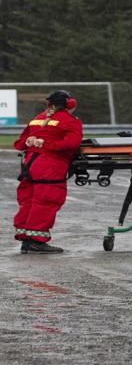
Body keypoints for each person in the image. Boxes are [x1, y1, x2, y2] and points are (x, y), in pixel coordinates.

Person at [12, 90, 82, 254]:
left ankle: (25, 238)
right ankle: (37, 241)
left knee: (28, 200)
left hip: (29, 164)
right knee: (46, 201)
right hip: (50, 166)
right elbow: (72, 144)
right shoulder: (71, 121)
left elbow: (20, 143)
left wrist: (33, 143)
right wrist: (49, 146)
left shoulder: (38, 118)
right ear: (70, 104)